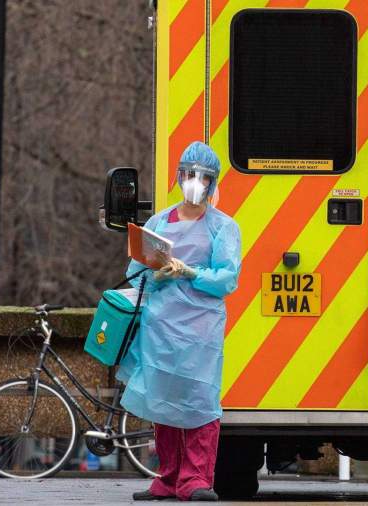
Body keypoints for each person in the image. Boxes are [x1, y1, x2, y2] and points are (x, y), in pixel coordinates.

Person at [117, 141, 242, 502]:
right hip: (161, 326)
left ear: (213, 182)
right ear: (178, 175)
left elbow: (227, 279)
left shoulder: (223, 227)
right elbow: (136, 272)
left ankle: (196, 478)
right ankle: (169, 477)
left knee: (200, 399)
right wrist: (154, 277)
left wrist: (190, 272)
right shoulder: (158, 223)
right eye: (189, 174)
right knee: (163, 398)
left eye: (203, 177)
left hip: (200, 329)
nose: (194, 182)